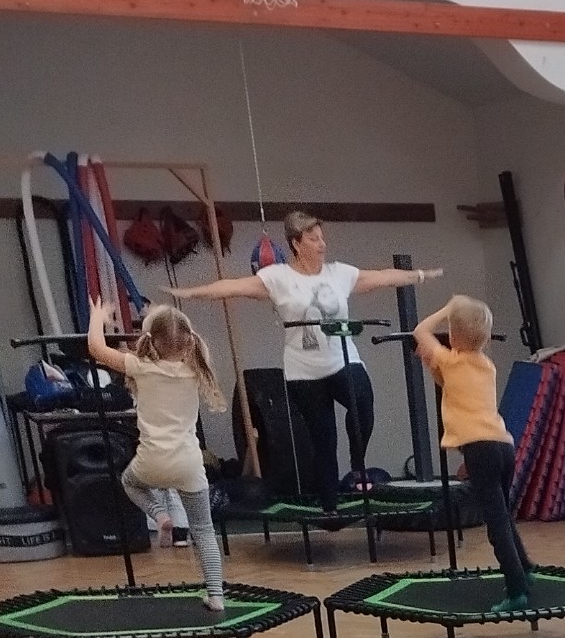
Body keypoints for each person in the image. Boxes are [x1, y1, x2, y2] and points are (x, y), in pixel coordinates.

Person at [176, 211, 440, 512]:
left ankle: (358, 464)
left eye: (321, 238)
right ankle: (330, 507)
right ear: (296, 244)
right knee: (324, 440)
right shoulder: (278, 278)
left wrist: (419, 275)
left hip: (342, 359)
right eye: (313, 239)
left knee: (362, 403)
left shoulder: (339, 273)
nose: (322, 244)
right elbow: (233, 287)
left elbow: (379, 277)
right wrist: (191, 293)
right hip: (304, 371)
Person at [84, 299, 226, 614]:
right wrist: (162, 321)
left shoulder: (141, 366)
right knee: (203, 530)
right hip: (189, 464)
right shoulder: (196, 368)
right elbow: (180, 333)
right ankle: (216, 595)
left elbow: (96, 348)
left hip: (151, 461)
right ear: (188, 341)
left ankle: (160, 515)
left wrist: (98, 317)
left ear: (151, 340)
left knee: (129, 482)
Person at [413, 295, 534, 611]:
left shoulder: (451, 360)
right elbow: (452, 387)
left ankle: (516, 590)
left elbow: (420, 331)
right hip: (503, 446)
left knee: (495, 523)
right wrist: (432, 361)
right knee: (503, 513)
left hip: (480, 451)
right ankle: (525, 568)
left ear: (453, 337)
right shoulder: (486, 366)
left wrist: (447, 309)